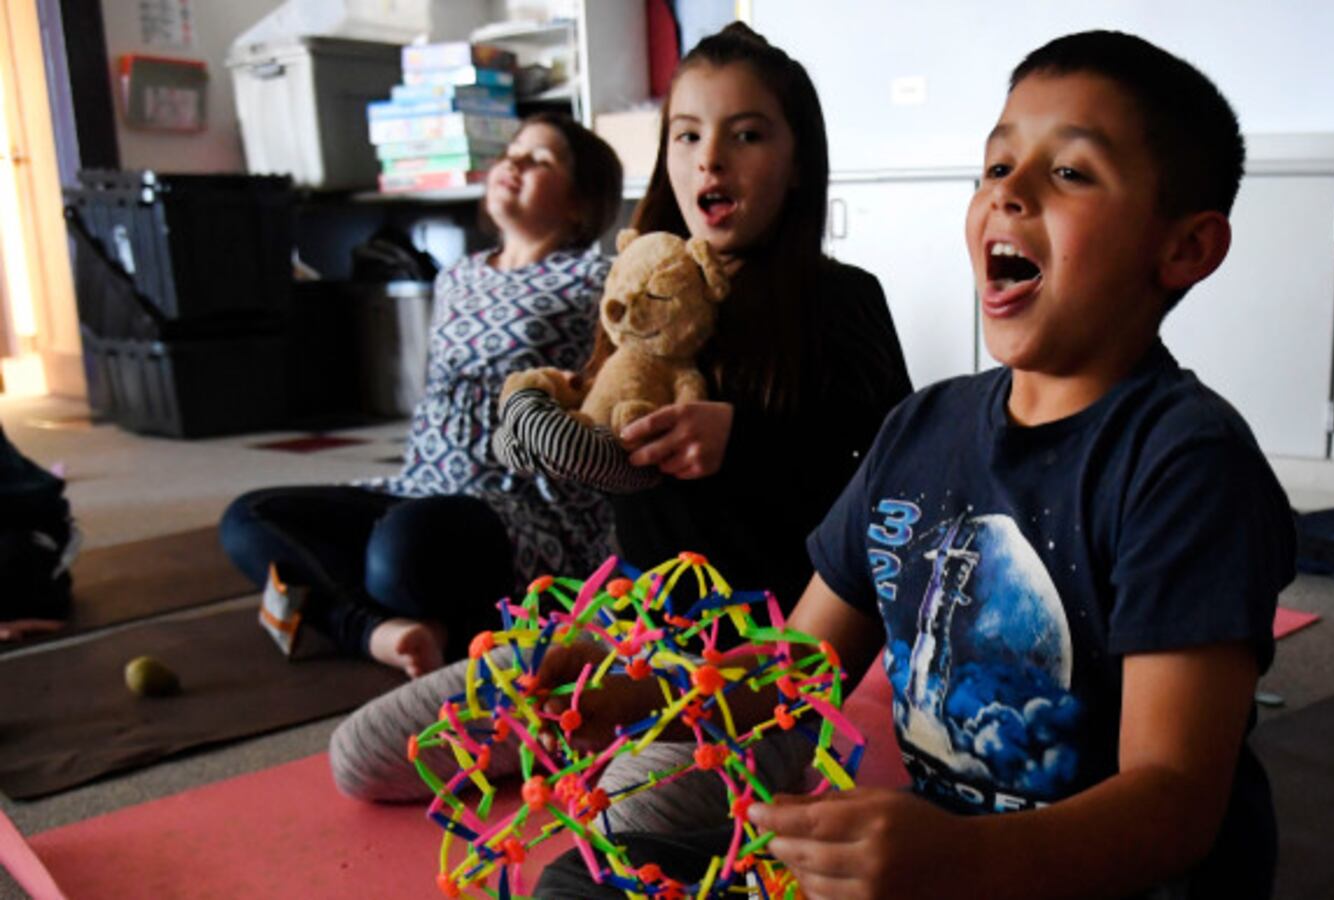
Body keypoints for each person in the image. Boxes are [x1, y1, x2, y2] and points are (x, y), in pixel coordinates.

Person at [537, 30, 1298, 899]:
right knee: (581, 882)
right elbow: (793, 672)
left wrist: (962, 861)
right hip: (944, 868)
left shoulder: (1185, 466)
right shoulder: (921, 432)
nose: (1007, 194)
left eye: (1071, 173)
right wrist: (638, 692)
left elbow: (1173, 806)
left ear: (1186, 249)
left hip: (1087, 880)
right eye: (996, 166)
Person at [327, 22, 913, 834]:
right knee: (360, 757)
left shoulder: (842, 299)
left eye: (747, 135)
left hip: (758, 666)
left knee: (631, 823)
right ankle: (597, 730)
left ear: (799, 162)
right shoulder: (638, 283)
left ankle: (620, 744)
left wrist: (746, 439)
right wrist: (548, 416)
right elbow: (591, 435)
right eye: (688, 134)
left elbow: (897, 483)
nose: (710, 159)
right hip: (623, 636)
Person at [220, 114, 623, 678]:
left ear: (581, 203)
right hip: (416, 489)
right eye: (512, 152)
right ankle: (378, 631)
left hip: (517, 511)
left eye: (541, 161)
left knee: (400, 554)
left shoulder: (594, 279)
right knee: (248, 518)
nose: (514, 164)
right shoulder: (458, 275)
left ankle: (377, 604)